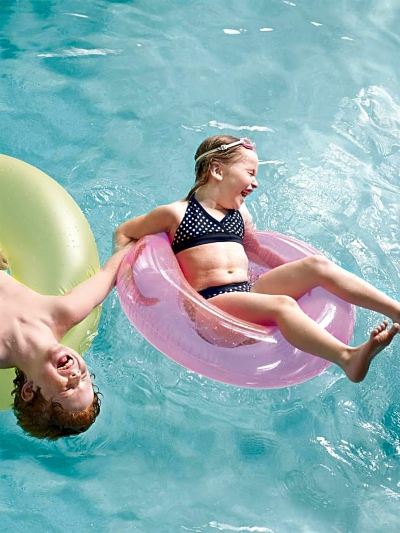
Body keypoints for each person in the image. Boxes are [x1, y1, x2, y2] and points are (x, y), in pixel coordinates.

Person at [115, 135, 400, 383]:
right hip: (210, 308)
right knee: (282, 305)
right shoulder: (176, 214)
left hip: (245, 293)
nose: (256, 182)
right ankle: (346, 358)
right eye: (250, 172)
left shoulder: (241, 215)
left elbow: (258, 253)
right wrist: (125, 275)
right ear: (217, 170)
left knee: (316, 266)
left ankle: (396, 310)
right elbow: (125, 231)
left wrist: (296, 276)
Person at [0, 246, 129, 439]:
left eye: (68, 388)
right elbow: (111, 272)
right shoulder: (64, 313)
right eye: (84, 379)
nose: (76, 374)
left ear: (29, 390)